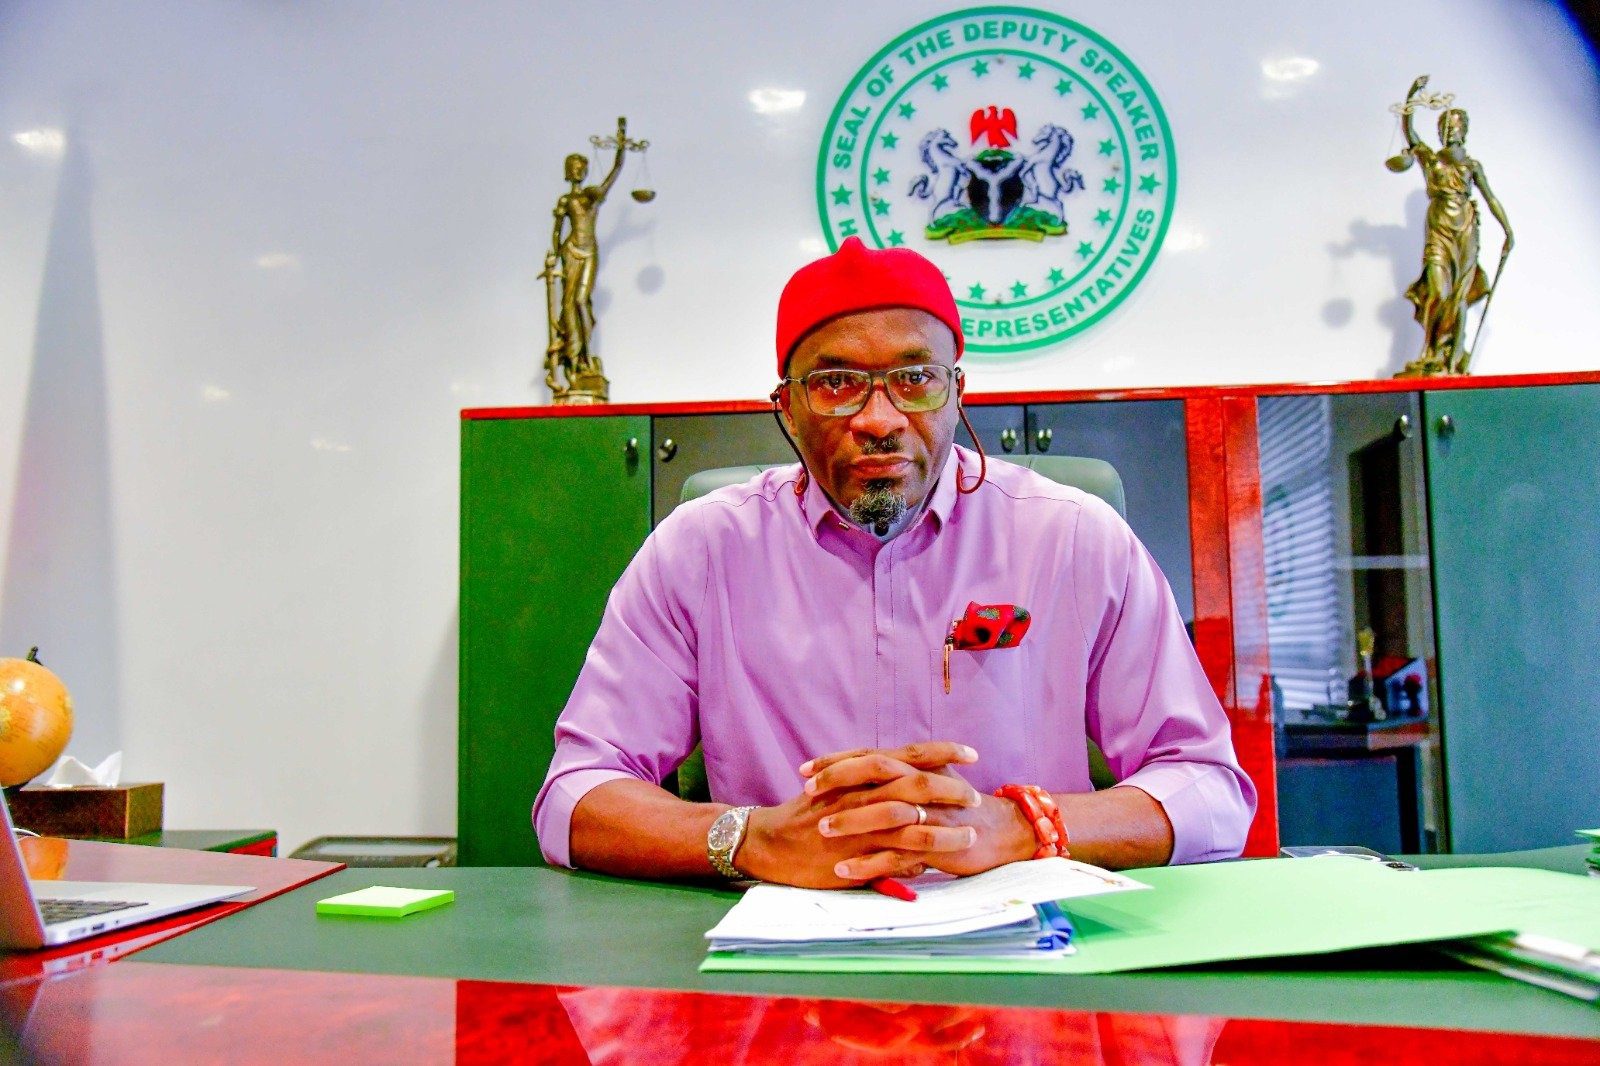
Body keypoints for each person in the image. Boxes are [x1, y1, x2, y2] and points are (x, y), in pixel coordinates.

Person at [533, 237, 1255, 887]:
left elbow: (1210, 789)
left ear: (957, 392)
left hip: (1028, 952)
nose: (879, 419)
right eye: (836, 383)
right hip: (783, 952)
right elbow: (575, 796)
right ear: (786, 407)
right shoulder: (699, 551)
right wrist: (751, 839)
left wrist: (1024, 826)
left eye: (915, 379)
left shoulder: (1073, 538)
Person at [1391, 75, 1513, 376]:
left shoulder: (1471, 166)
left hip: (1466, 230)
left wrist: (1507, 230)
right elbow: (1409, 132)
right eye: (1444, 127)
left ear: (1463, 131)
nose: (1449, 131)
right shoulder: (1431, 161)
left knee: (1459, 296)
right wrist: (1412, 96)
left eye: (1455, 126)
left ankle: (1452, 356)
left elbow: (1491, 198)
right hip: (1439, 228)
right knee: (1437, 290)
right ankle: (1430, 352)